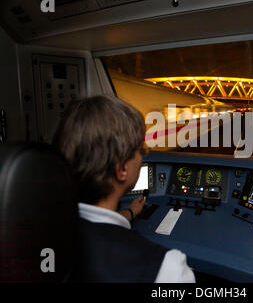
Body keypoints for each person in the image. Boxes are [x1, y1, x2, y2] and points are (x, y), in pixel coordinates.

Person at [52, 95, 195, 283]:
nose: (141, 157)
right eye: (138, 150)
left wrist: (129, 212)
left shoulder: (33, 233)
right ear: (121, 170)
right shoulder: (168, 269)